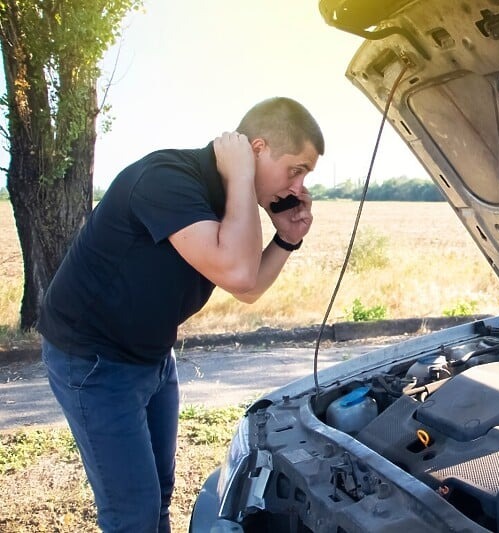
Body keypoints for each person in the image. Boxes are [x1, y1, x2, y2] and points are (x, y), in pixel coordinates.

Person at [37, 97, 324, 532]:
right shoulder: (168, 180)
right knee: (132, 510)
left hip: (151, 354)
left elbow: (247, 289)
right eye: (296, 170)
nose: (297, 188)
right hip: (93, 359)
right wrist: (244, 178)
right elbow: (240, 271)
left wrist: (285, 239)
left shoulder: (229, 195)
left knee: (160, 493)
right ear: (258, 148)